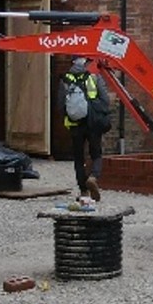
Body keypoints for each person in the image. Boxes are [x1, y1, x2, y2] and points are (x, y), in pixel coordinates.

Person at [60, 56, 113, 199]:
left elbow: (61, 103)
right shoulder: (94, 77)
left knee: (79, 158)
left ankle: (83, 190)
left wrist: (70, 117)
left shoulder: (65, 79)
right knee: (96, 154)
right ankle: (93, 177)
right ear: (86, 63)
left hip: (75, 124)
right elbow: (105, 100)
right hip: (93, 123)